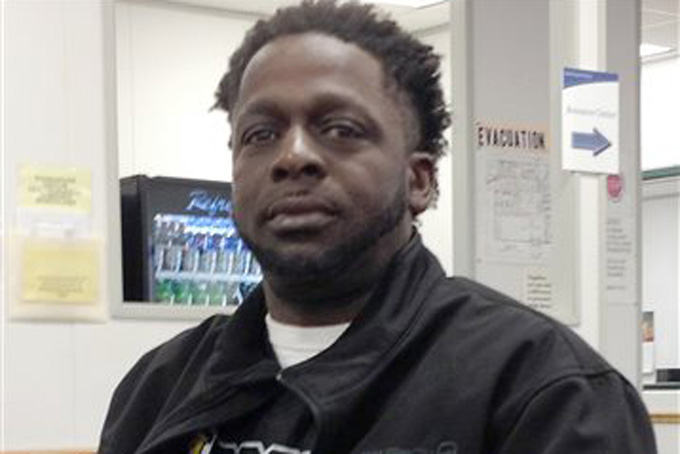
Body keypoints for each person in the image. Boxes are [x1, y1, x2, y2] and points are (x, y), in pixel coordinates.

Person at [98, 1, 657, 453]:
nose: (292, 157)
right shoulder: (163, 385)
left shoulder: (544, 389)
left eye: (339, 129)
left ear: (419, 180)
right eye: (260, 134)